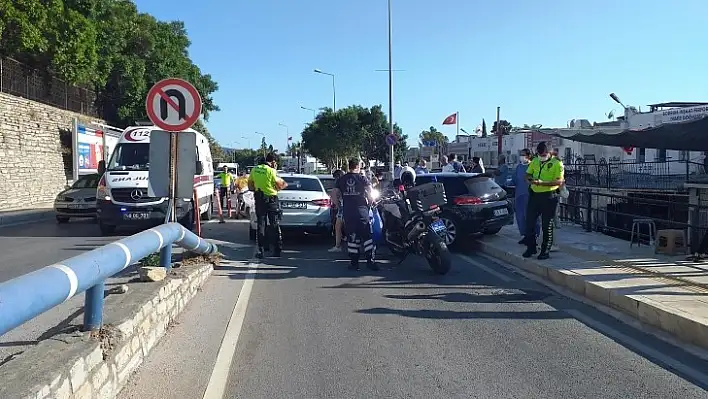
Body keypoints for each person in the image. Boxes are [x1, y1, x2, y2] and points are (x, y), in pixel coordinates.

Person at [334, 159, 378, 271]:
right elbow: (370, 193)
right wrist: (370, 203)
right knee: (367, 236)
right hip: (362, 211)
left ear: (349, 166)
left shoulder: (341, 179)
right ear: (357, 166)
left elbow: (334, 194)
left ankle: (354, 263)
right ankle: (370, 262)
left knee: (352, 237)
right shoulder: (362, 178)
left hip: (349, 212)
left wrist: (339, 206)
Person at [523, 142, 564, 260]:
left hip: (549, 196)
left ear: (550, 152)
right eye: (540, 154)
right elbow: (527, 174)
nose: (542, 157)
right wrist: (529, 179)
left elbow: (559, 182)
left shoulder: (557, 163)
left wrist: (543, 183)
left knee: (547, 225)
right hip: (534, 195)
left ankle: (545, 251)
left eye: (544, 154)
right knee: (529, 222)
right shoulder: (535, 161)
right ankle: (531, 247)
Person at [248, 153, 288, 258]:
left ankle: (261, 250)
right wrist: (276, 188)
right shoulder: (272, 171)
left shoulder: (254, 169)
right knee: (274, 224)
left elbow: (250, 186)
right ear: (273, 162)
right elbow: (283, 184)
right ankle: (277, 250)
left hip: (259, 198)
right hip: (272, 200)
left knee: (261, 224)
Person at [513, 149, 539, 244]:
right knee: (520, 217)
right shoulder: (519, 167)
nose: (521, 157)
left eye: (523, 155)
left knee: (531, 217)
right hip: (519, 195)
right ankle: (524, 235)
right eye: (520, 155)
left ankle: (534, 236)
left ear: (528, 156)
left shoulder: (533, 166)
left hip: (530, 195)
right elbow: (514, 179)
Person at [328, 169, 345, 252]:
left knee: (338, 226)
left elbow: (334, 194)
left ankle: (338, 246)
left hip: (344, 207)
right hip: (357, 206)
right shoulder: (349, 181)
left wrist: (338, 206)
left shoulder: (338, 183)